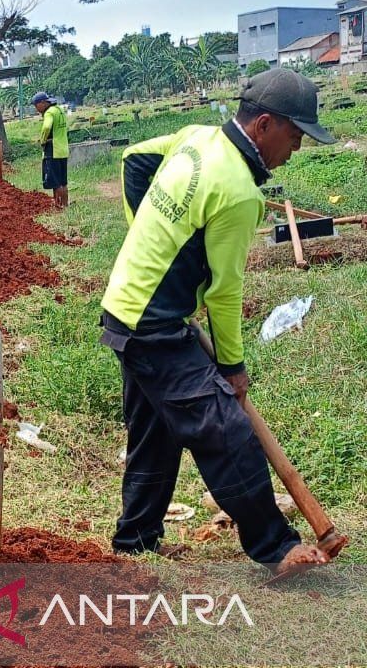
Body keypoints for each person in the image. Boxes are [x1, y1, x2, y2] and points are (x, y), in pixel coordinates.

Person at [100, 67, 333, 571]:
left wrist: (146, 235)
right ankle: (275, 546)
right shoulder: (240, 192)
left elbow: (133, 161)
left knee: (156, 433)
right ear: (264, 125)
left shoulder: (196, 138)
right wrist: (233, 367)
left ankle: (136, 540)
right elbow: (226, 294)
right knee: (225, 428)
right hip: (152, 323)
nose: (293, 152)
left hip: (127, 307)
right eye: (293, 139)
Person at [33, 91, 69, 208]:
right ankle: (65, 204)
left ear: (43, 103)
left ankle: (58, 206)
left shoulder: (49, 113)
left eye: (36, 105)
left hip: (53, 150)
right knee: (63, 182)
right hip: (63, 149)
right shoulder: (59, 110)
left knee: (55, 181)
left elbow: (47, 127)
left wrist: (43, 140)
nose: (36, 108)